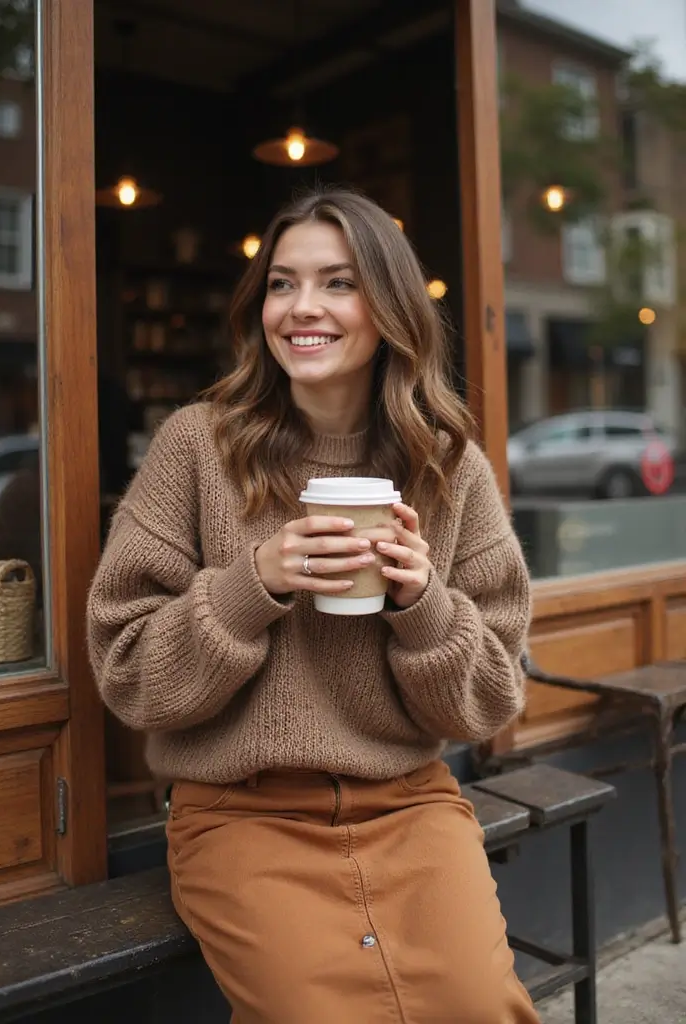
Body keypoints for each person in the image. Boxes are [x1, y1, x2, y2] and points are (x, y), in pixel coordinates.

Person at [87, 186, 539, 1024]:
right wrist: (252, 581)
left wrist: (422, 603)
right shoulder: (196, 446)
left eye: (337, 283)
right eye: (281, 283)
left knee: (482, 1010)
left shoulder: (450, 466)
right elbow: (128, 674)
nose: (302, 308)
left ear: (390, 305)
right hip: (239, 815)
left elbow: (492, 698)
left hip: (409, 801)